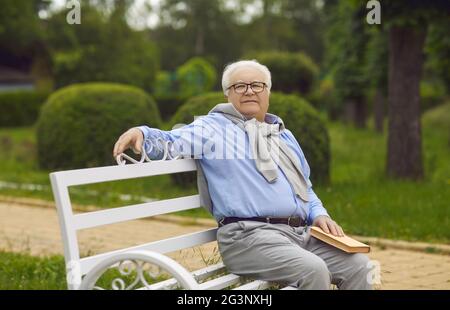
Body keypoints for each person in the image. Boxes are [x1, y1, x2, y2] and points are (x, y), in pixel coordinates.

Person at [113, 60, 372, 290]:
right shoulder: (212, 129)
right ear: (228, 95)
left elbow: (306, 187)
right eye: (240, 86)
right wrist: (144, 134)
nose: (249, 90)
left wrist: (320, 214)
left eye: (257, 85)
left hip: (300, 235)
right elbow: (173, 140)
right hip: (248, 238)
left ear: (268, 92)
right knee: (313, 270)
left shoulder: (283, 134)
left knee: (360, 266)